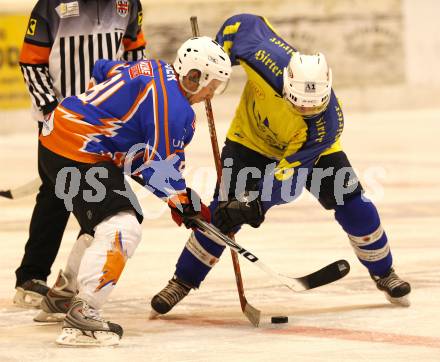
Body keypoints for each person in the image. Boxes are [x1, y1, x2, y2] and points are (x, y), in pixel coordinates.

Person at [150, 14, 411, 316]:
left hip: (309, 153)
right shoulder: (261, 54)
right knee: (223, 211)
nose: (306, 110)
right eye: (298, 103)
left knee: (355, 205)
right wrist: (218, 55)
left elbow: (288, 180)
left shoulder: (325, 125)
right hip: (250, 140)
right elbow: (240, 24)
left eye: (314, 106)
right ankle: (182, 281)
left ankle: (384, 272)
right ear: (285, 82)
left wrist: (255, 204)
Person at [33, 36, 231, 346]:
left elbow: (101, 70)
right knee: (121, 227)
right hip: (78, 153)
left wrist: (95, 115)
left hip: (59, 138)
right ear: (195, 76)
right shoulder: (176, 108)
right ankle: (84, 315)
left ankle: (63, 296)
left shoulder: (153, 68)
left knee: (108, 218)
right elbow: (158, 167)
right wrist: (183, 201)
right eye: (212, 84)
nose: (212, 93)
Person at [15, 0, 147, 308]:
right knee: (56, 196)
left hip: (105, 122)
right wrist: (52, 112)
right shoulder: (51, 5)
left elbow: (134, 56)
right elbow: (31, 62)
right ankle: (34, 278)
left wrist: (132, 107)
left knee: (98, 200)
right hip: (60, 121)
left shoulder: (129, 4)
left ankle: (66, 282)